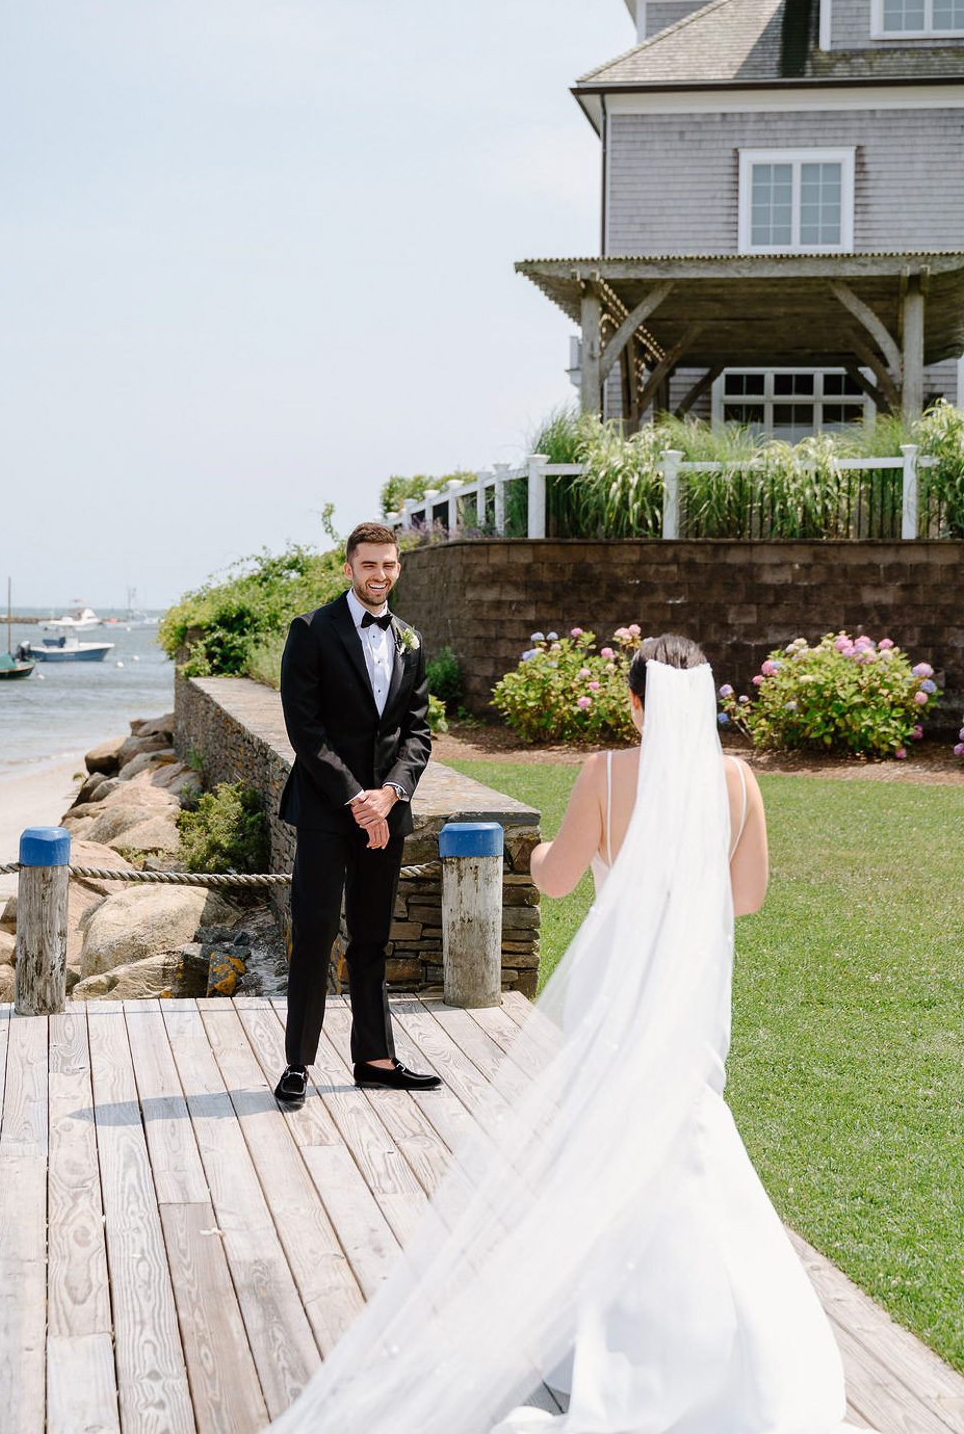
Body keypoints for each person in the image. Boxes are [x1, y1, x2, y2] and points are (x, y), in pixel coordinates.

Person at [266, 632, 869, 1433]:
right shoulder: (736, 781)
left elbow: (551, 879)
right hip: (689, 997)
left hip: (620, 999)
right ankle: (712, 1338)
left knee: (608, 1145)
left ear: (634, 703)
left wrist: (552, 847)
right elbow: (747, 896)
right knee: (687, 1142)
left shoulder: (606, 775)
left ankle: (622, 1327)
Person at [273, 521, 441, 1110]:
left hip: (387, 813)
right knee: (315, 935)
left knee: (372, 938)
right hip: (324, 809)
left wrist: (389, 794)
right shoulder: (312, 631)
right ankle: (298, 1063)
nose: (380, 575)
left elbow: (417, 734)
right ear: (349, 568)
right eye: (369, 565)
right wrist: (355, 797)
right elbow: (306, 730)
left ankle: (375, 1058)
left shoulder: (411, 640)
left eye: (390, 564)